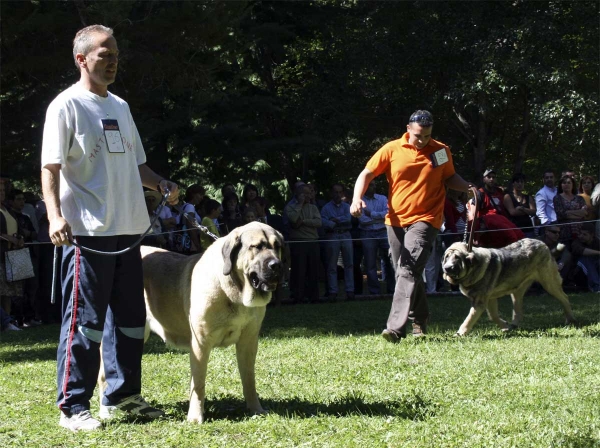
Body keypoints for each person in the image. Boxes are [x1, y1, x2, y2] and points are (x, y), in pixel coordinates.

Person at [41, 25, 179, 432]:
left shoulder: (120, 106)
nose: (114, 60)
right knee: (85, 321)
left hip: (129, 231)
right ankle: (72, 406)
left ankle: (121, 398)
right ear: (81, 59)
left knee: (131, 319)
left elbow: (138, 166)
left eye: (116, 53)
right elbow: (50, 169)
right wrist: (54, 216)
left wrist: (162, 185)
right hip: (87, 234)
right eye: (105, 54)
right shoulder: (65, 106)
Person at [351, 110, 474, 342]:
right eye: (419, 135)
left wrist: (468, 187)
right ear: (408, 129)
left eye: (427, 136)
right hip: (396, 219)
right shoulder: (392, 149)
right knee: (404, 272)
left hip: (427, 219)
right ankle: (421, 316)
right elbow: (367, 173)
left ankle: (395, 328)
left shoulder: (439, 151)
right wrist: (357, 198)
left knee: (407, 269)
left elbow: (449, 177)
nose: (423, 140)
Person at [284, 183, 322, 303]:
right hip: (298, 242)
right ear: (297, 194)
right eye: (304, 193)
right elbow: (294, 220)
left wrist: (304, 221)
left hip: (313, 241)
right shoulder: (290, 207)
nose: (307, 196)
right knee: (299, 270)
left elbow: (319, 222)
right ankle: (297, 296)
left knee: (313, 270)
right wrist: (300, 204)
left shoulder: (313, 208)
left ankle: (313, 296)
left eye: (309, 193)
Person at [358, 183, 394, 295]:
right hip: (368, 233)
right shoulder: (360, 201)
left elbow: (388, 214)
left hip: (384, 232)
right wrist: (379, 218)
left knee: (391, 261)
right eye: (369, 186)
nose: (372, 187)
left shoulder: (383, 198)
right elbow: (362, 220)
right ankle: (374, 291)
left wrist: (372, 214)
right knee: (370, 263)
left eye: (373, 185)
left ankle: (392, 289)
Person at [321, 183, 355, 301]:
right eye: (336, 192)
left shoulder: (347, 206)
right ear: (332, 193)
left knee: (349, 264)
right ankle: (333, 291)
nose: (338, 194)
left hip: (346, 234)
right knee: (331, 265)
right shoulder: (326, 208)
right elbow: (324, 222)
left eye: (340, 192)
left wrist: (335, 220)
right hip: (332, 236)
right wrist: (334, 223)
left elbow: (348, 218)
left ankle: (350, 290)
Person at [0, 182, 25, 320]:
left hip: (11, 255)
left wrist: (19, 238)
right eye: (0, 190)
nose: (2, 193)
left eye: (3, 190)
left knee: (9, 291)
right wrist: (8, 238)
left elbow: (16, 226)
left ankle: (8, 320)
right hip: (1, 253)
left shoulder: (7, 209)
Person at [553, 175, 587, 244]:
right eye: (564, 183)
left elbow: (584, 213)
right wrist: (579, 213)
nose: (566, 185)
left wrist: (568, 212)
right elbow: (561, 215)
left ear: (573, 185)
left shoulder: (580, 198)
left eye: (569, 183)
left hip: (580, 231)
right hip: (564, 232)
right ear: (561, 185)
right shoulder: (557, 198)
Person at [503, 173, 538, 237]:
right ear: (513, 183)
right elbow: (512, 212)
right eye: (517, 181)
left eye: (522, 182)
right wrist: (527, 211)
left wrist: (522, 208)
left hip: (528, 229)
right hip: (514, 229)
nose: (520, 184)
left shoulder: (528, 197)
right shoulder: (508, 196)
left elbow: (534, 212)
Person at [570, 222, 600, 292]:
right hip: (577, 273)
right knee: (586, 259)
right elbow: (582, 251)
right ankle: (596, 287)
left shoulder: (597, 242)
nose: (581, 236)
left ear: (592, 235)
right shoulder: (576, 242)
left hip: (592, 271)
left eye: (584, 234)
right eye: (580, 233)